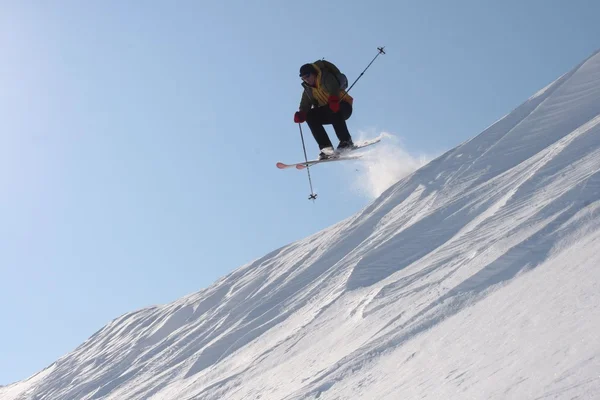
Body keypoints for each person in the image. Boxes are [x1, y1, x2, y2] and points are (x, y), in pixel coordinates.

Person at [294, 60, 355, 159]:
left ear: (314, 73)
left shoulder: (325, 77)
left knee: (332, 108)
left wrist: (334, 100)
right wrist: (302, 114)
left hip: (343, 106)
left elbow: (333, 88)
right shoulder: (308, 89)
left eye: (308, 76)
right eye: (303, 78)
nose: (306, 80)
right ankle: (326, 148)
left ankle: (346, 141)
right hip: (329, 111)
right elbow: (305, 104)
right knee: (310, 116)